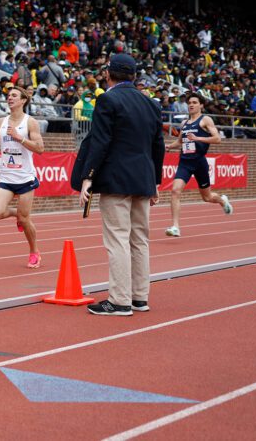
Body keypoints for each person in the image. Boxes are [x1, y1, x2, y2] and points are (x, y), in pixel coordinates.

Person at [72, 54, 164, 316]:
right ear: (134, 76)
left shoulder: (108, 99)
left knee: (118, 239)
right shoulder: (151, 104)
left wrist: (88, 176)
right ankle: (139, 297)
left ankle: (120, 300)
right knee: (140, 240)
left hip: (116, 179)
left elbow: (100, 141)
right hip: (143, 179)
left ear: (109, 74)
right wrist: (155, 182)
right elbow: (157, 146)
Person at [0, 86, 45, 268]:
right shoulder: (1, 122)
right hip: (6, 177)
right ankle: (17, 215)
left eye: (14, 95)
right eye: (8, 95)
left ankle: (34, 251)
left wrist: (19, 138)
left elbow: (40, 148)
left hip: (26, 179)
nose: (10, 98)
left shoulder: (30, 122)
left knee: (25, 219)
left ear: (23, 100)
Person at [164, 92, 233, 237]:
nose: (191, 105)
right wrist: (169, 146)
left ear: (201, 105)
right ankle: (175, 227)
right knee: (175, 191)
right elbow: (180, 142)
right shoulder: (184, 123)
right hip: (185, 162)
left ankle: (222, 200)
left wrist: (198, 138)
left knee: (207, 197)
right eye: (189, 102)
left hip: (199, 162)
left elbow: (217, 139)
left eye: (194, 102)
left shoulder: (205, 120)